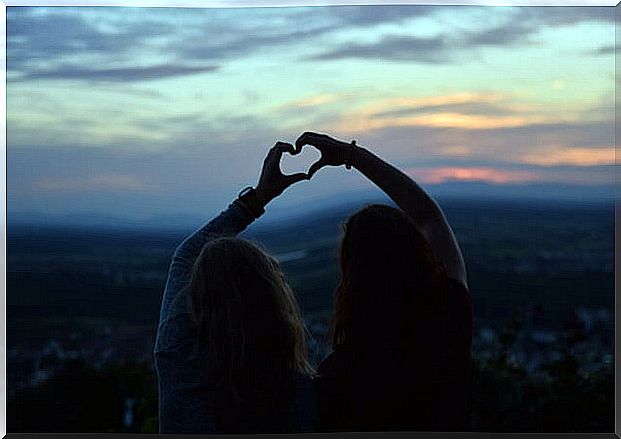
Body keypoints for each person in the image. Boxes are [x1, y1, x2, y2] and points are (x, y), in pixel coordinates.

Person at [294, 131, 473, 432]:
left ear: (352, 279)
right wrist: (351, 156)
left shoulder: (340, 375)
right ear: (417, 251)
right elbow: (429, 216)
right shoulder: (449, 312)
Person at [153, 142, 317, 434]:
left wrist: (260, 196)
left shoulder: (177, 359)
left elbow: (185, 255)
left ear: (198, 301)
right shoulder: (301, 391)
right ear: (274, 302)